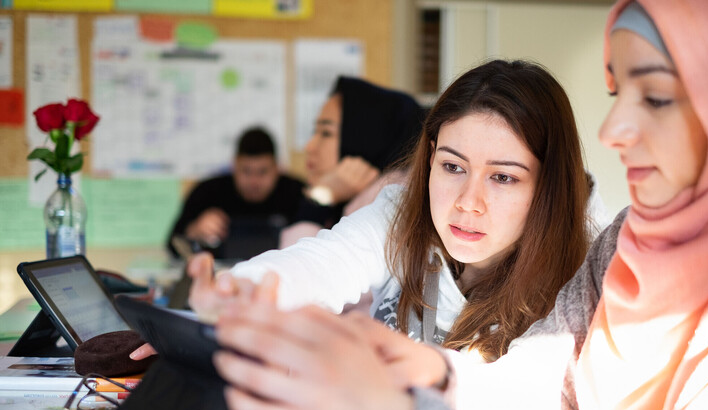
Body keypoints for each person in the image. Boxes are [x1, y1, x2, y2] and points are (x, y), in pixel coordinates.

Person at [211, 0, 708, 410]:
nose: (612, 130)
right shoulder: (627, 242)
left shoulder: (587, 245)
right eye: (452, 166)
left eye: (654, 97)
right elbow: (543, 386)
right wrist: (436, 375)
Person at [183, 59, 592, 364]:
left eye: (502, 177)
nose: (468, 201)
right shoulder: (401, 211)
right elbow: (321, 263)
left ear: (549, 185)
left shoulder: (583, 281)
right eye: (452, 167)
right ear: (431, 159)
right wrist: (236, 294)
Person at [291, 76, 426, 232]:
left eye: (326, 133)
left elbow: (296, 256)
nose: (309, 146)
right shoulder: (358, 203)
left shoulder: (387, 217)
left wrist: (318, 200)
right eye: (315, 132)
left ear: (366, 139)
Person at [166, 127, 305, 259]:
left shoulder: (298, 194)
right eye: (246, 171)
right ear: (234, 165)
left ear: (277, 168)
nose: (254, 181)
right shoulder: (208, 192)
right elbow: (172, 245)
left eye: (263, 172)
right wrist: (194, 231)